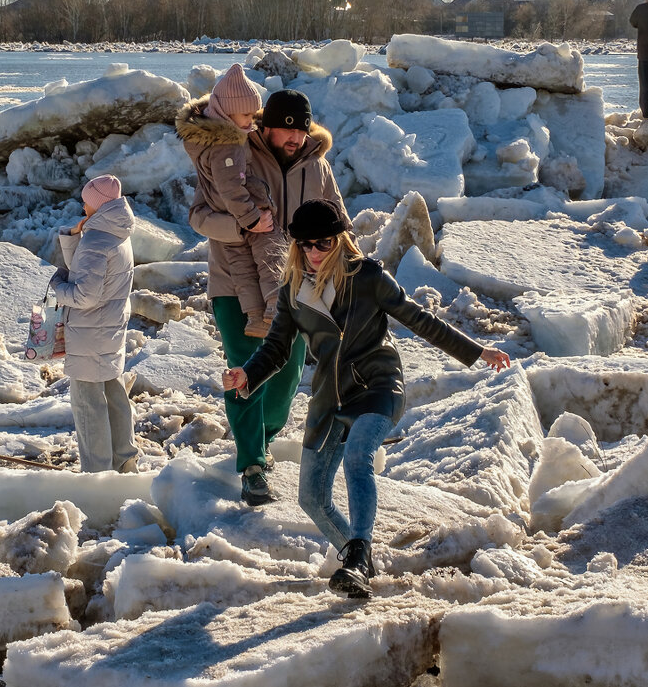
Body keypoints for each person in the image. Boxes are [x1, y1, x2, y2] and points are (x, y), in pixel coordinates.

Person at [222, 200, 510, 599]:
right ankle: (360, 559)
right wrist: (247, 374)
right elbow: (276, 347)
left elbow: (419, 319)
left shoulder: (368, 276)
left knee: (359, 457)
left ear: (339, 241)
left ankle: (355, 558)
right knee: (312, 498)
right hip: (329, 397)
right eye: (305, 245)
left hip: (377, 385)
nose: (314, 252)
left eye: (323, 243)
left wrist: (477, 352)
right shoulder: (293, 288)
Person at [189, 89, 350, 505]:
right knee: (246, 369)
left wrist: (353, 269)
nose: (295, 137)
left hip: (295, 287)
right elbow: (198, 216)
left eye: (301, 129)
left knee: (286, 378)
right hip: (234, 284)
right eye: (286, 129)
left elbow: (339, 222)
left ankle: (262, 437)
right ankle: (253, 465)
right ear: (266, 125)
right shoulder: (235, 154)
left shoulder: (317, 166)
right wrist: (243, 227)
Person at [176, 63, 285, 338]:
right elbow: (232, 186)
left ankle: (256, 318)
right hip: (245, 211)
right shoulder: (229, 144)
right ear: (227, 112)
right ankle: (275, 305)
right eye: (246, 114)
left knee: (242, 267)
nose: (252, 120)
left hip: (225, 218)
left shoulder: (208, 141)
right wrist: (252, 219)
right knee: (271, 251)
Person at [50, 174, 139, 473]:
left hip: (89, 333)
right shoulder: (117, 235)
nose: (83, 205)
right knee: (114, 396)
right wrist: (73, 237)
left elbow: (84, 295)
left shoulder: (96, 242)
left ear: (97, 205)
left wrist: (57, 287)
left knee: (88, 405)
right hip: (109, 329)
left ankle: (97, 474)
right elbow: (88, 272)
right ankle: (124, 461)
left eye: (87, 201)